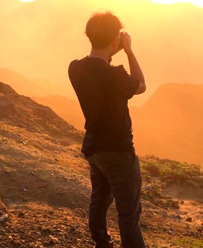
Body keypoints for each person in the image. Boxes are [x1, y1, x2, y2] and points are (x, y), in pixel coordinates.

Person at [68, 12, 147, 248]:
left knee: (99, 199)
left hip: (94, 147)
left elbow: (98, 67)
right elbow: (141, 85)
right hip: (119, 150)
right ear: (115, 40)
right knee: (128, 213)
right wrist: (129, 51)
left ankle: (102, 242)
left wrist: (111, 48)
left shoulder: (75, 68)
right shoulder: (115, 76)